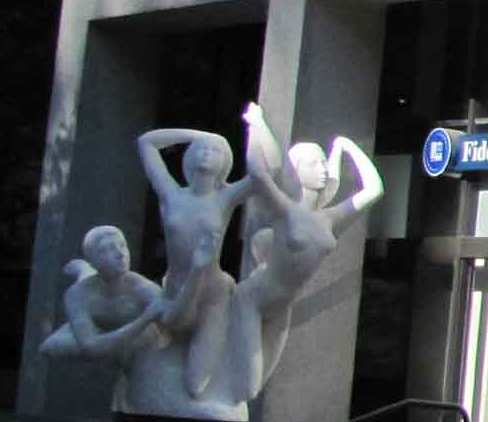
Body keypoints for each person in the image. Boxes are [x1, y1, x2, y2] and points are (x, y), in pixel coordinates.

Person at [230, 102, 384, 398]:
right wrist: (257, 124)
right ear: (296, 171)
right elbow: (259, 173)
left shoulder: (330, 217)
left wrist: (347, 146)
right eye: (314, 163)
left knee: (255, 388)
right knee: (246, 387)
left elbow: (374, 189)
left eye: (324, 162)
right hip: (253, 300)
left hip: (283, 305)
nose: (324, 169)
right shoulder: (284, 209)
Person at [136, 126, 255, 397]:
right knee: (155, 355)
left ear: (224, 163)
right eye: (200, 148)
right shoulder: (171, 194)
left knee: (196, 386)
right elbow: (147, 142)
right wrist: (197, 134)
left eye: (214, 150)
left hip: (212, 296)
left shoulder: (226, 197)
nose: (205, 152)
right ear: (189, 157)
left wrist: (256, 125)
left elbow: (262, 174)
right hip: (176, 291)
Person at [40, 226, 164, 365]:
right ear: (94, 261)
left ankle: (83, 269)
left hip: (129, 332)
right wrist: (145, 319)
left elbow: (172, 322)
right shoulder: (76, 294)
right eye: (107, 249)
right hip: (103, 320)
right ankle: (84, 269)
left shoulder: (145, 288)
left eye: (122, 245)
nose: (120, 253)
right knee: (50, 346)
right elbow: (91, 347)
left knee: (139, 347)